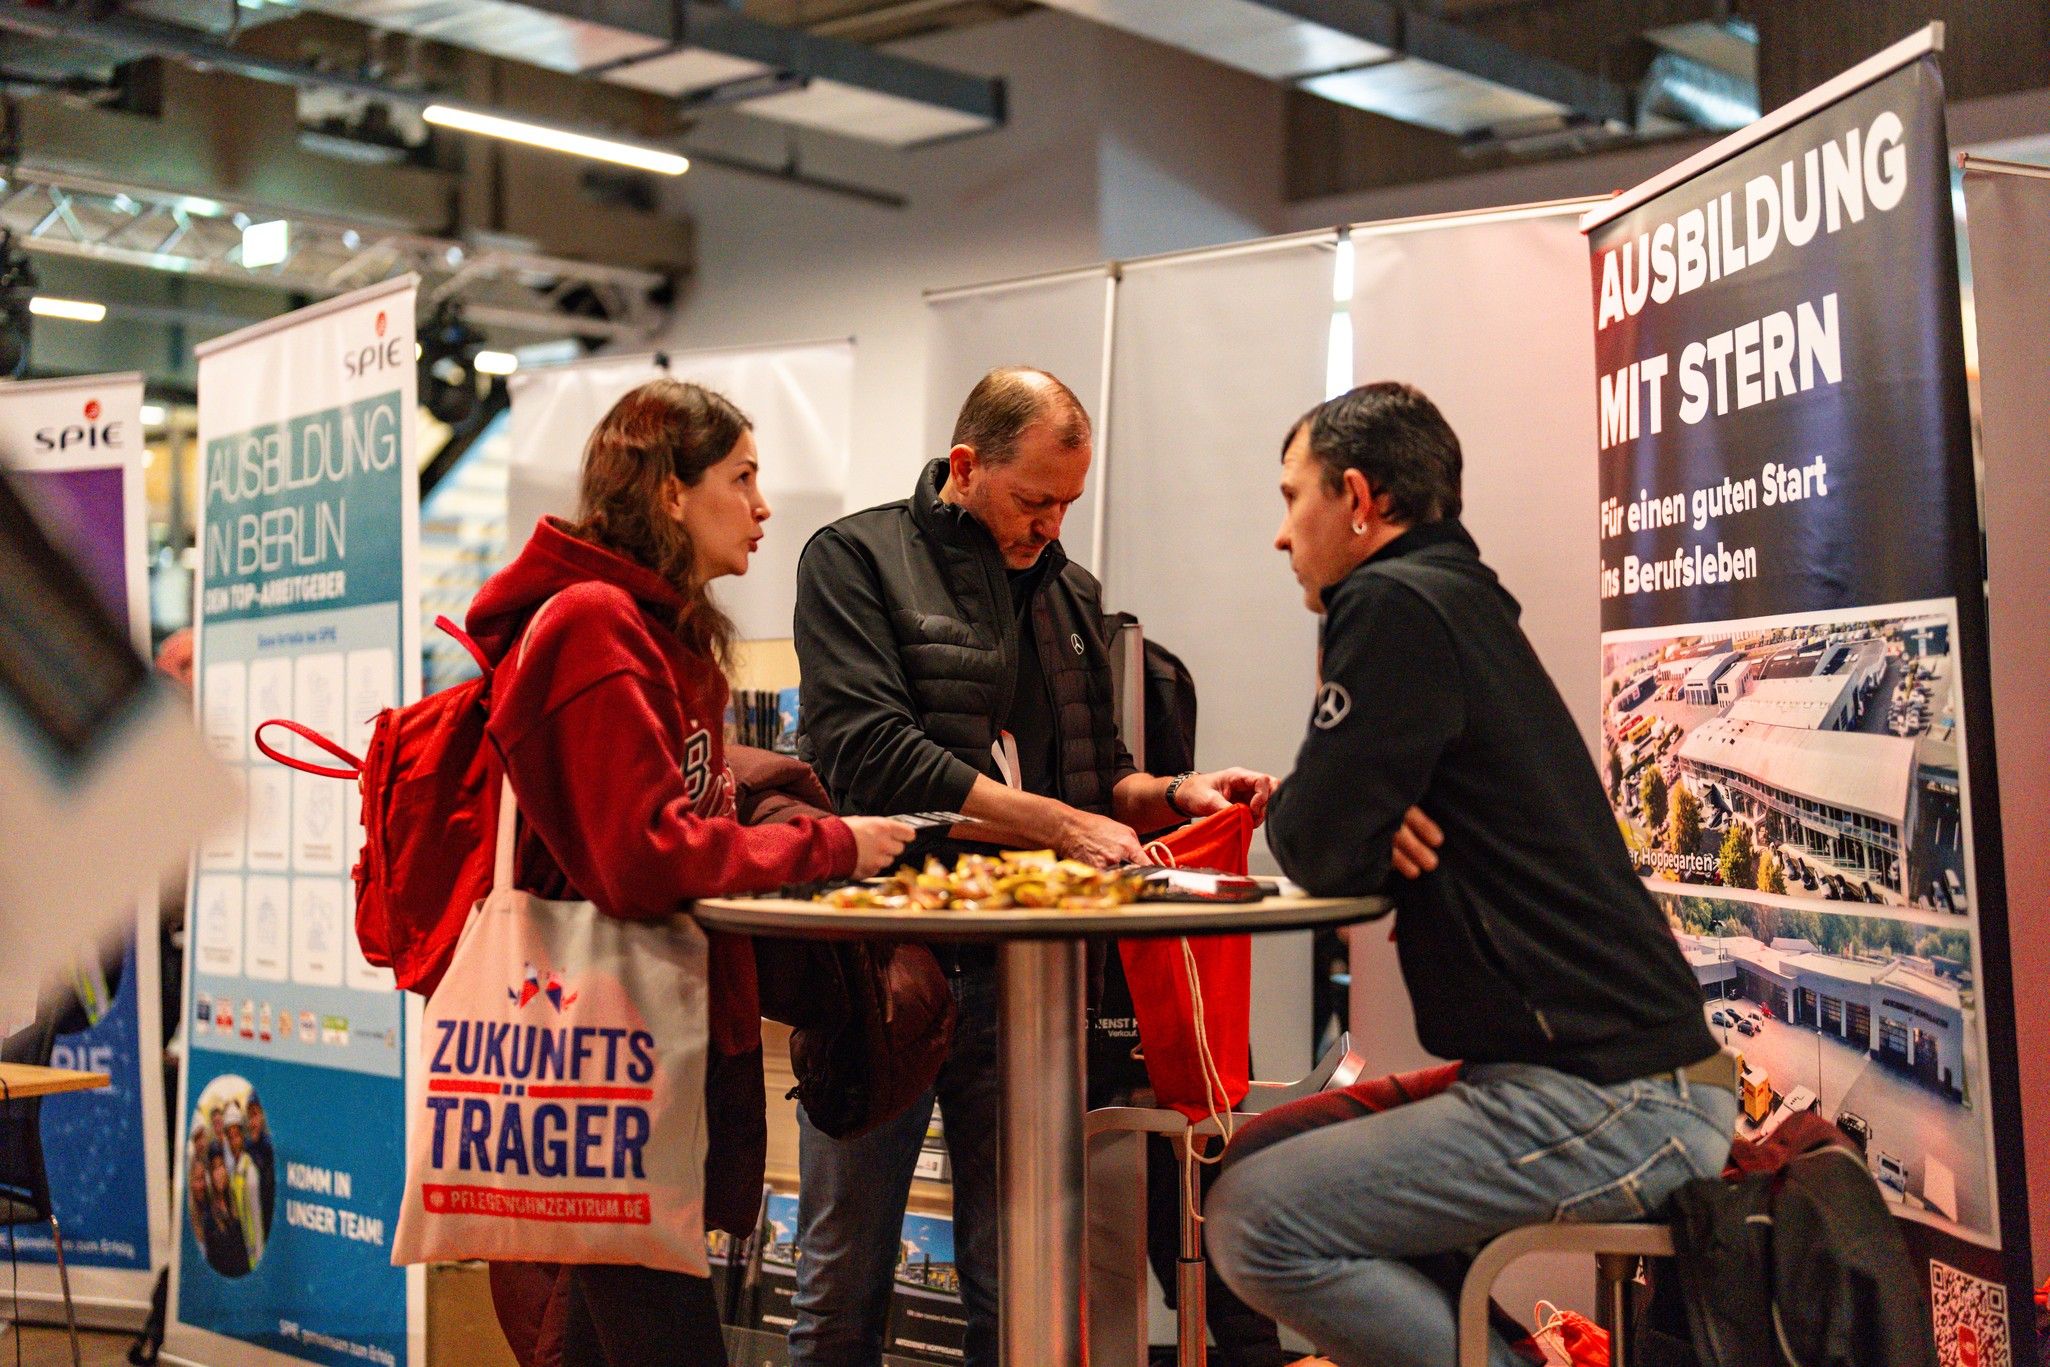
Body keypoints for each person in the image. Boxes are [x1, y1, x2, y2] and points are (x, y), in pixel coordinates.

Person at [1204, 383, 1735, 1367]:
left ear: (1356, 495)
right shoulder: (1454, 601)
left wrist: (1329, 806)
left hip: (1614, 1096)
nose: (1282, 536)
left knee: (1251, 1220)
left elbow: (1316, 842)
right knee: (1258, 1153)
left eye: (1292, 498)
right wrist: (1348, 805)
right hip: (1618, 1077)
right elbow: (1336, 823)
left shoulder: (1390, 600)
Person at [790, 365, 1273, 1367]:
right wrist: (1056, 823)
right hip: (881, 968)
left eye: (1066, 502)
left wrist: (1173, 792)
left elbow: (1095, 780)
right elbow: (867, 750)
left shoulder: (1069, 592)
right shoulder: (853, 558)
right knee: (841, 1288)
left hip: (1023, 980)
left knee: (1020, 1293)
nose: (1050, 523)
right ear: (965, 466)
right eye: (1032, 498)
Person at [464, 379, 915, 1367]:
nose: (762, 506)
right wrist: (833, 844)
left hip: (640, 1031)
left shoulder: (661, 631)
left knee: (594, 1337)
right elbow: (644, 856)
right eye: (742, 477)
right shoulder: (596, 622)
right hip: (597, 1045)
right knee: (655, 1329)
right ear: (670, 491)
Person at [220, 1100, 265, 1266]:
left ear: (243, 1135)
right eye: (230, 1138)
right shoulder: (234, 1172)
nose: (234, 1143)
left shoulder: (249, 1170)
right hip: (242, 1253)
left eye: (236, 1136)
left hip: (254, 1254)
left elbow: (256, 1217)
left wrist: (259, 1257)